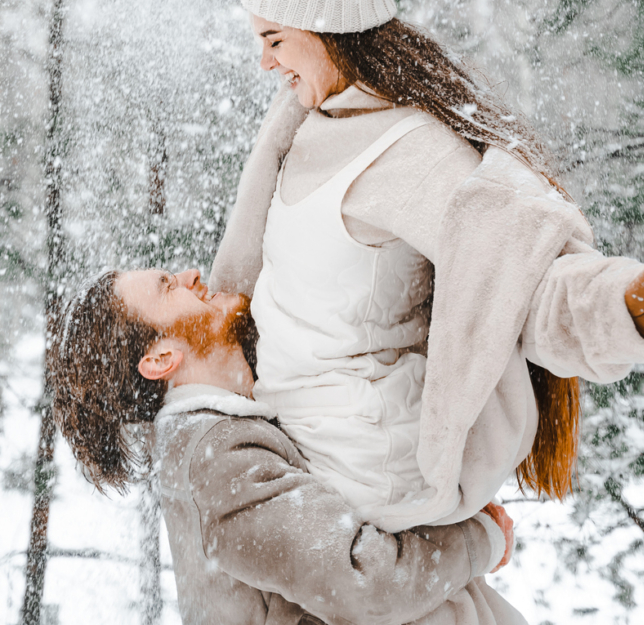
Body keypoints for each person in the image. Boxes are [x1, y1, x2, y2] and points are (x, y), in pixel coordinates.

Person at [209, 0, 644, 543]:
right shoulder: (316, 103)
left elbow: (528, 285)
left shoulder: (408, 155)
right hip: (296, 436)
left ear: (326, 30)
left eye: (272, 41)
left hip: (358, 476)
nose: (263, 63)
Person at [50, 267, 517, 625]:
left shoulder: (216, 441)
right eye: (169, 287)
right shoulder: (217, 462)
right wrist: (481, 541)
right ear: (161, 359)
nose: (193, 274)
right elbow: (362, 580)